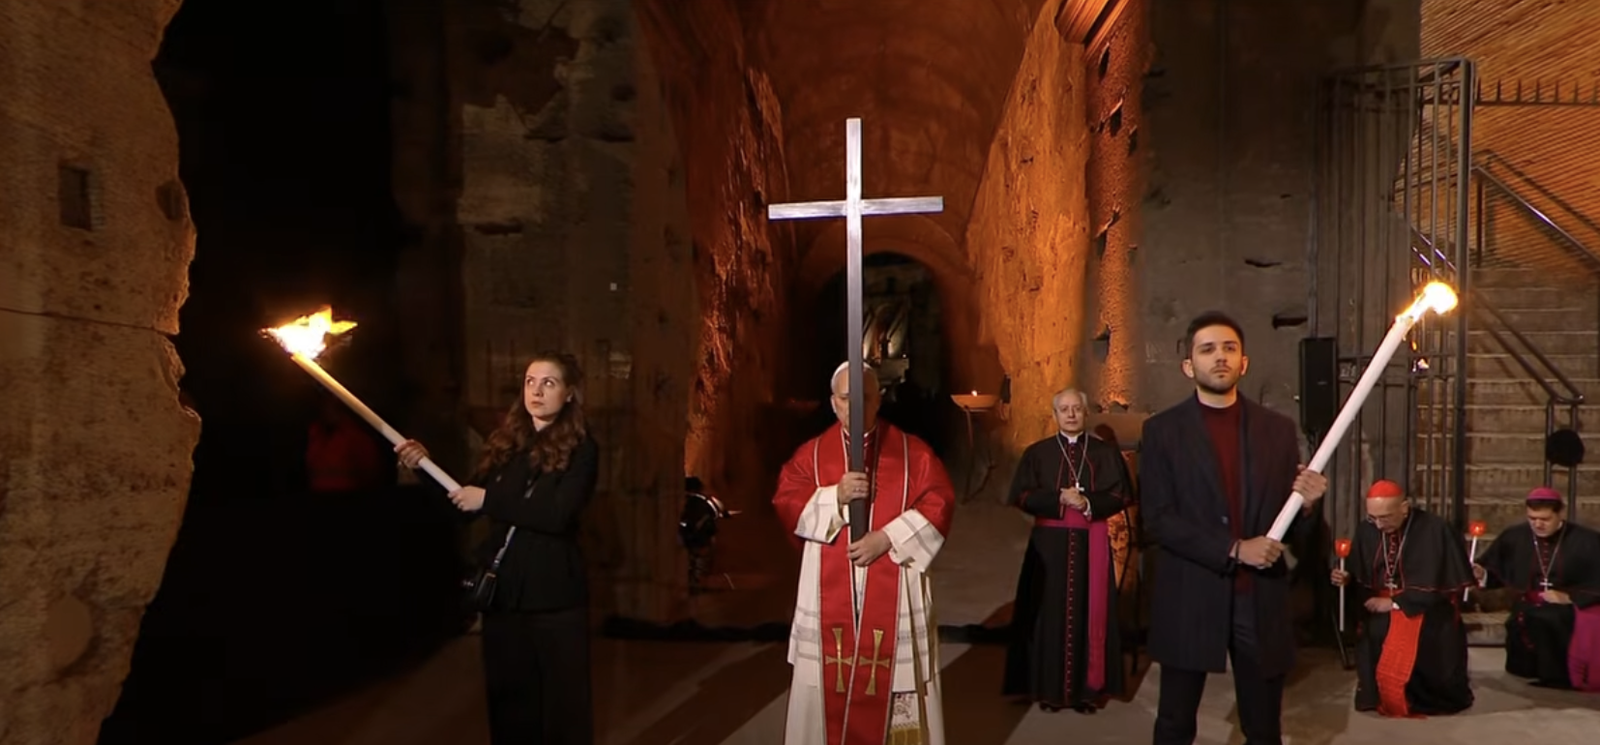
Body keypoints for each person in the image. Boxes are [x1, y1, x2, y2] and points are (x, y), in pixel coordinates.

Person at [1139, 311, 1328, 745]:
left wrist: (1308, 506)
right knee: (1175, 724)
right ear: (1189, 366)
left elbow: (1296, 530)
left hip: (1258, 599)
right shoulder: (1163, 432)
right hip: (1191, 593)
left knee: (1263, 727)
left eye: (1229, 349)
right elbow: (1159, 518)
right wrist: (1233, 548)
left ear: (1244, 362)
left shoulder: (1277, 431)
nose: (1219, 357)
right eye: (1207, 350)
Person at [396, 352, 598, 745]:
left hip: (555, 599)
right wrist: (423, 468)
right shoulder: (507, 446)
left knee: (564, 712)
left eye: (549, 383)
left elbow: (555, 515)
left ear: (570, 394)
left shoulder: (583, 449)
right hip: (504, 599)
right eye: (530, 381)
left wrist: (488, 500)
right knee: (511, 707)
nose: (536, 391)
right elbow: (462, 507)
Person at [771, 362, 956, 745]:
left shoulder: (913, 453)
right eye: (845, 399)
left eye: (864, 398)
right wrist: (834, 497)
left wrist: (887, 538)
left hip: (894, 578)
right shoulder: (812, 455)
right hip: (830, 593)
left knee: (897, 686)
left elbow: (939, 503)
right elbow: (786, 501)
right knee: (825, 679)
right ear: (833, 403)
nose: (854, 408)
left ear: (879, 399)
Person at [1002, 388, 1130, 713]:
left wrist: (1087, 502)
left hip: (1092, 542)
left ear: (1086, 414)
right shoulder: (1038, 453)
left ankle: (1087, 691)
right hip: (1049, 547)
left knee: (1091, 613)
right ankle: (1049, 691)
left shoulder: (1104, 452)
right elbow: (1021, 495)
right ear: (1055, 414)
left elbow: (1121, 494)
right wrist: (1057, 499)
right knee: (1048, 613)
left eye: (1076, 409)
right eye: (1064, 409)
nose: (1071, 414)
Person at [1330, 479, 1474, 716]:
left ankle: (1420, 698)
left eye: (1385, 517)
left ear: (1404, 507)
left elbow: (1442, 583)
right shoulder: (1368, 529)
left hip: (1427, 607)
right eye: (1372, 517)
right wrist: (1346, 578)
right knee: (1373, 628)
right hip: (1380, 603)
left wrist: (1397, 602)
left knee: (1433, 631)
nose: (1377, 524)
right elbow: (1360, 572)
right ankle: (1374, 696)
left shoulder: (1435, 529)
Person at [1473, 487, 1600, 690]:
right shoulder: (1514, 536)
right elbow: (1496, 572)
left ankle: (1558, 677)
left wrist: (1570, 597)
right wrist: (1482, 574)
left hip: (1566, 609)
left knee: (1548, 618)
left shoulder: (1587, 540)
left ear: (1560, 514)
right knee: (1521, 655)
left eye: (1544, 519)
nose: (1537, 524)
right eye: (1532, 518)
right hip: (1527, 605)